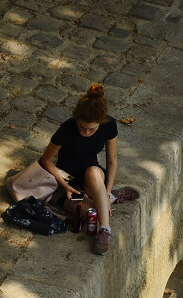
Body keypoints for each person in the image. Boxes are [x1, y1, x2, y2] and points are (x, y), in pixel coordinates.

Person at [38, 84, 139, 255]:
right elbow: (46, 161)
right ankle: (115, 197)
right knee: (90, 215)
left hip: (93, 176)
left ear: (101, 122)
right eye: (82, 128)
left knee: (93, 172)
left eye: (91, 129)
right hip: (68, 183)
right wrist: (65, 185)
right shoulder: (67, 129)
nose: (86, 132)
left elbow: (112, 161)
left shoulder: (109, 125)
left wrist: (106, 192)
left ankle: (105, 230)